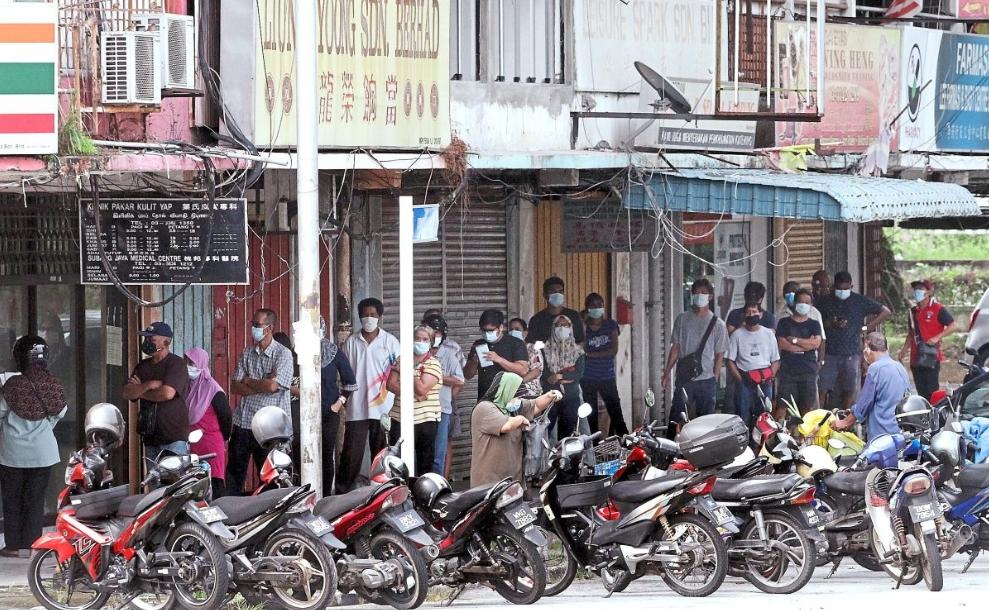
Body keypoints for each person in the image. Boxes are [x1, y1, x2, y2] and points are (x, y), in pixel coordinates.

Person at [0, 336, 66, 558]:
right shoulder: (53, 383)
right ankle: (33, 545)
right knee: (36, 500)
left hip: (12, 454)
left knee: (12, 500)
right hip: (43, 453)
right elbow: (60, 412)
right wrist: (45, 426)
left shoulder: (12, 386)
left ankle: (12, 546)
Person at [228, 309, 294, 494]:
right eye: (253, 325)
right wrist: (264, 382)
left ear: (270, 328)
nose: (253, 329)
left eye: (257, 325)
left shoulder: (283, 354)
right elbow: (234, 386)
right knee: (234, 475)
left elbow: (274, 387)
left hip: (270, 429)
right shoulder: (248, 353)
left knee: (270, 479)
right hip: (243, 423)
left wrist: (248, 380)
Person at [338, 298, 400, 493]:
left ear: (380, 317)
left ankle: (384, 493)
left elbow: (398, 370)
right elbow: (344, 374)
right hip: (356, 406)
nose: (369, 318)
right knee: (351, 454)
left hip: (383, 407)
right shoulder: (351, 342)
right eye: (365, 314)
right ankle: (343, 495)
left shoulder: (390, 342)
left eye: (373, 314)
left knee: (381, 453)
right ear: (359, 317)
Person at [470, 371, 561, 487]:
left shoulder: (513, 407)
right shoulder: (484, 408)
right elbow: (506, 426)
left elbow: (536, 405)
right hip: (489, 483)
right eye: (516, 396)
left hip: (513, 481)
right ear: (507, 392)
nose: (518, 400)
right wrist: (521, 419)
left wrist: (550, 395)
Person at [817, 271, 891, 409]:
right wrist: (831, 323)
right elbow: (816, 320)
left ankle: (846, 418)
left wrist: (866, 328)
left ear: (851, 286)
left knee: (850, 389)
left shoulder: (859, 301)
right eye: (840, 289)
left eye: (846, 289)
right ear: (834, 287)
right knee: (823, 388)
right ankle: (819, 418)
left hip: (852, 352)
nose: (843, 292)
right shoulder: (825, 301)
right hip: (829, 353)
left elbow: (885, 311)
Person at [663, 279, 729, 424]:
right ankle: (673, 444)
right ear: (692, 295)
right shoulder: (682, 319)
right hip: (685, 378)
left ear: (710, 296)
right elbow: (676, 348)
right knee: (677, 418)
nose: (700, 295)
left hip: (707, 380)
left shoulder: (718, 324)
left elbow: (719, 355)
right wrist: (667, 373)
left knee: (705, 423)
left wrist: (714, 380)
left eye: (704, 293)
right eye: (697, 293)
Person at [122, 322, 190, 458]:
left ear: (166, 342)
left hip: (173, 437)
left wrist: (140, 392)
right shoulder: (142, 366)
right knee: (152, 479)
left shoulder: (176, 364)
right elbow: (127, 392)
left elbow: (167, 393)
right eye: (146, 339)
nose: (147, 342)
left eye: (152, 339)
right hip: (150, 437)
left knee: (172, 478)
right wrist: (149, 384)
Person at [387, 326, 443, 474]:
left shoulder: (433, 364)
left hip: (425, 421)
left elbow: (422, 389)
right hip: (399, 418)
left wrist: (405, 371)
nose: (420, 342)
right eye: (417, 338)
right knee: (397, 463)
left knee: (424, 464)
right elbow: (390, 385)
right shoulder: (402, 359)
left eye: (425, 339)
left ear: (430, 343)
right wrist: (416, 393)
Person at [833, 333, 910, 440]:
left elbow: (865, 402)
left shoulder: (875, 368)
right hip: (900, 431)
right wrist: (853, 410)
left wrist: (845, 422)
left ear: (867, 348)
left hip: (882, 433)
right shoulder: (899, 367)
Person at [314, 317, 357, 493]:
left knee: (325, 455)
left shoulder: (332, 352)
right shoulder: (298, 352)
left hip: (328, 412)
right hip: (302, 412)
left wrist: (339, 404)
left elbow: (350, 383)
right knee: (301, 454)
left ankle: (324, 497)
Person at [897, 279, 958, 401]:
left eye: (921, 289)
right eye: (916, 289)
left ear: (929, 292)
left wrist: (937, 337)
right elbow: (911, 333)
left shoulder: (938, 308)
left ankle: (935, 415)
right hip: (916, 357)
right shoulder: (912, 312)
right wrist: (904, 350)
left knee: (932, 391)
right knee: (921, 392)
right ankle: (924, 416)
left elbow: (953, 325)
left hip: (931, 357)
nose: (917, 292)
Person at [184, 347, 232, 498]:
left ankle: (221, 517)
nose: (187, 366)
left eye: (191, 363)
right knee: (194, 483)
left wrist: (223, 438)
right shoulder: (188, 387)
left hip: (211, 443)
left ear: (201, 364)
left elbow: (226, 417)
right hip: (193, 443)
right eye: (186, 362)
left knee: (215, 482)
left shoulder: (213, 389)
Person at [580, 293, 628, 436]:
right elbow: (581, 348)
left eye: (600, 305)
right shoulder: (584, 327)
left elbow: (613, 350)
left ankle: (625, 442)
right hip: (587, 377)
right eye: (593, 306)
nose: (597, 308)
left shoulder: (610, 325)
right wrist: (582, 322)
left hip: (607, 376)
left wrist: (590, 355)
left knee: (615, 411)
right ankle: (594, 448)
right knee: (591, 414)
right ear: (587, 308)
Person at [727, 304, 780, 429]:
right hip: (745, 380)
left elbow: (776, 360)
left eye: (754, 311)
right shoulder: (737, 335)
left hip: (765, 381)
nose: (751, 315)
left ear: (760, 314)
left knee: (764, 418)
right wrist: (740, 380)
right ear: (744, 315)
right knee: (743, 417)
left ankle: (761, 446)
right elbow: (730, 361)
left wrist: (769, 377)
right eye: (748, 312)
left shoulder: (768, 334)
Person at [424, 314, 465, 476]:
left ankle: (438, 487)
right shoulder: (417, 354)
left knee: (438, 453)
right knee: (421, 450)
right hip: (420, 410)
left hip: (442, 409)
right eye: (431, 333)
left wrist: (437, 378)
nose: (434, 337)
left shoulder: (448, 354)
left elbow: (460, 380)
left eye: (438, 333)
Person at [775, 290, 824, 416]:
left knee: (806, 408)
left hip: (808, 370)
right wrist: (805, 346)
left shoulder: (814, 324)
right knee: (782, 406)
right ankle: (780, 433)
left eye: (807, 302)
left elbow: (816, 344)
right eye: (801, 302)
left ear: (811, 304)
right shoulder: (784, 322)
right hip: (788, 371)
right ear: (795, 303)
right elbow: (782, 344)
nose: (803, 305)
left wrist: (795, 340)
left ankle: (802, 434)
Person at [464, 309, 529, 399]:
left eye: (490, 330)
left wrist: (499, 359)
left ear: (501, 328)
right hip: (485, 398)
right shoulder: (478, 344)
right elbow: (467, 375)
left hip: (510, 399)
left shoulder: (515, 343)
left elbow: (523, 370)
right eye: (484, 330)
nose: (487, 334)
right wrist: (474, 362)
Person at [542, 315, 586, 437]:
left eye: (565, 325)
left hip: (571, 397)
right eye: (558, 325)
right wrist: (551, 378)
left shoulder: (578, 352)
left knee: (567, 433)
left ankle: (564, 456)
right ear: (553, 328)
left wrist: (559, 376)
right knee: (545, 430)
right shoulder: (544, 350)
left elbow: (578, 374)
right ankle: (546, 456)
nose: (561, 328)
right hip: (550, 396)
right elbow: (543, 372)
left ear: (570, 328)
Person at [527, 276, 585, 345]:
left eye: (560, 291)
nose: (557, 294)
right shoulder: (536, 320)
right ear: (545, 295)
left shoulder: (573, 316)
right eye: (553, 291)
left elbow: (580, 342)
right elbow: (532, 345)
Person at [776, 280, 827, 356]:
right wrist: (807, 347)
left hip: (810, 362)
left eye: (793, 291)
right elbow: (781, 343)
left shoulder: (814, 312)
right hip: (787, 362)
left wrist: (794, 340)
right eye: (787, 292)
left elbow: (819, 341)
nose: (790, 294)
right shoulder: (780, 316)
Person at [508, 318, 545, 399]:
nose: (513, 332)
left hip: (530, 394)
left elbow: (536, 371)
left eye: (517, 329)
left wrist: (519, 383)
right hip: (510, 395)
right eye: (511, 329)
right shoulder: (507, 349)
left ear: (525, 333)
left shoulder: (532, 348)